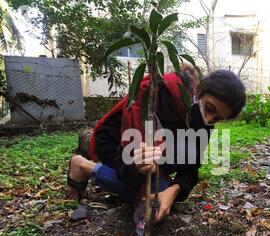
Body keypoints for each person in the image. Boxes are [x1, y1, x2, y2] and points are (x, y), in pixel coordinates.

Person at [67, 66, 246, 224]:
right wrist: (140, 166)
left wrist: (173, 191)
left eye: (217, 119)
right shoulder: (156, 96)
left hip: (154, 154)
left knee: (163, 196)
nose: (208, 119)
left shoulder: (205, 124)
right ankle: (84, 166)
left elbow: (191, 169)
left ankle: (153, 180)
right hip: (115, 144)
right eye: (209, 108)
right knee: (153, 197)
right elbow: (125, 164)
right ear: (198, 90)